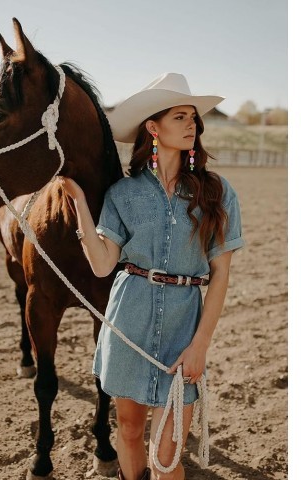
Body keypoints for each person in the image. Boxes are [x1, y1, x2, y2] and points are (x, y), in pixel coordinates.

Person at [58, 73, 244, 480]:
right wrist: (79, 205)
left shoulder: (215, 192)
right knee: (127, 430)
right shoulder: (122, 194)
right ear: (153, 128)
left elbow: (221, 273)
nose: (192, 124)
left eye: (193, 117)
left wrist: (201, 345)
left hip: (183, 329)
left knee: (167, 452)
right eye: (180, 117)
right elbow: (104, 265)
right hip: (129, 322)